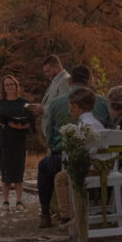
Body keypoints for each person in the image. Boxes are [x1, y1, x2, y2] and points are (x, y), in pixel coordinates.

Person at [37, 64, 111, 227]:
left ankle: (49, 213)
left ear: (70, 80)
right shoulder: (104, 103)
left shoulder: (58, 104)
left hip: (79, 163)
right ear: (90, 80)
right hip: (106, 163)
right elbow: (111, 131)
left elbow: (50, 134)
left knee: (45, 167)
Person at [52, 87, 108, 228]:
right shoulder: (96, 122)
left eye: (71, 107)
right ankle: (69, 212)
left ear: (77, 107)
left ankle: (67, 215)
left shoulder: (86, 125)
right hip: (103, 165)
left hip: (93, 168)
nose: (70, 110)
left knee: (60, 178)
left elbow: (86, 152)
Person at [0, 75, 32, 210]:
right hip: (4, 140)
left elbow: (30, 123)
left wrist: (19, 126)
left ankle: (19, 201)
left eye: (12, 84)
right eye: (7, 85)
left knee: (19, 170)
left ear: (16, 86)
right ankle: (5, 201)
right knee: (5, 171)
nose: (9, 87)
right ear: (3, 88)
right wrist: (3, 122)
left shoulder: (24, 103)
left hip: (19, 140)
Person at [27, 54, 71, 141]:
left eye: (48, 71)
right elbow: (53, 102)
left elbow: (65, 105)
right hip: (52, 133)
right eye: (45, 72)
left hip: (58, 133)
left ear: (57, 66)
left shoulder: (65, 80)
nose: (46, 74)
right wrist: (40, 106)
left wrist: (43, 109)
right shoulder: (55, 81)